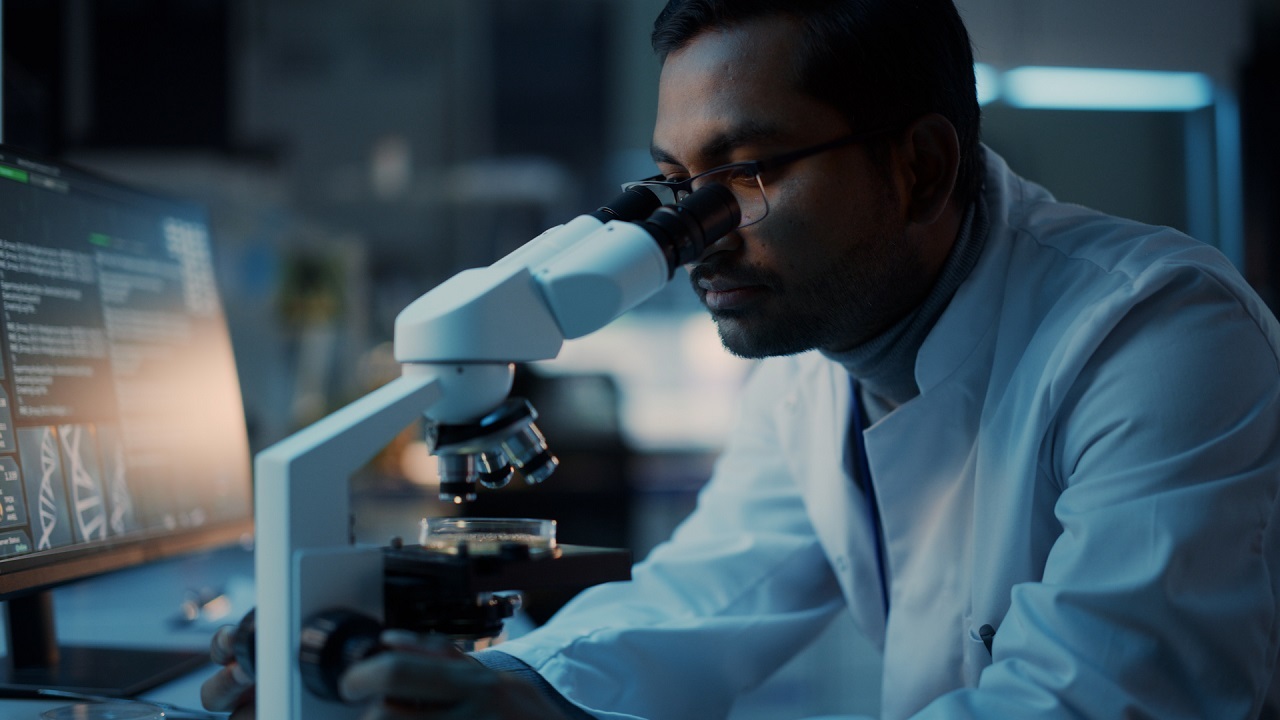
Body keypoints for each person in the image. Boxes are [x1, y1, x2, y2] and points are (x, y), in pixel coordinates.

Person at [202, 0, 1280, 718]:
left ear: (917, 168)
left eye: (747, 172)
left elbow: (1086, 702)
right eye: (674, 182)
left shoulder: (1159, 333)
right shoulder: (818, 355)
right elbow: (714, 589)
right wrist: (513, 691)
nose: (695, 233)